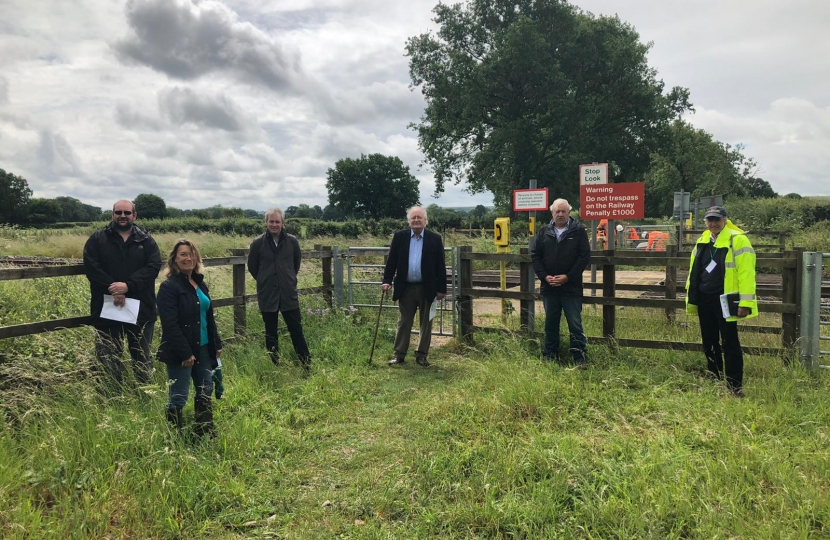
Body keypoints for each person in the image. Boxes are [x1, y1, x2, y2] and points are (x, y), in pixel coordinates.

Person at [83, 199, 161, 392]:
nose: (122, 216)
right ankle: (112, 395)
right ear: (112, 214)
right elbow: (92, 268)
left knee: (141, 355)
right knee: (108, 355)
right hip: (107, 308)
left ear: (134, 216)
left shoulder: (146, 240)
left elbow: (152, 268)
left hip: (141, 308)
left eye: (127, 213)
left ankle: (145, 394)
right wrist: (114, 288)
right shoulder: (97, 239)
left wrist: (128, 286)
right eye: (119, 212)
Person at [685, 206, 757, 396]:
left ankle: (734, 385)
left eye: (717, 219)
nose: (713, 223)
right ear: (705, 221)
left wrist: (745, 303)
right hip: (705, 298)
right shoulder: (702, 240)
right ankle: (714, 377)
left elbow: (747, 274)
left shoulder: (738, 240)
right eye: (710, 219)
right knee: (708, 340)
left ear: (725, 220)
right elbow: (695, 270)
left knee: (730, 341)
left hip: (727, 298)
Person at [157, 239, 222, 436]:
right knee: (179, 395)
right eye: (183, 254)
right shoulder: (169, 287)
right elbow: (169, 324)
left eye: (192, 254)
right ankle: (175, 437)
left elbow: (208, 317)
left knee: (205, 389)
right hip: (181, 351)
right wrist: (185, 353)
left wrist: (216, 344)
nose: (188, 258)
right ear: (174, 260)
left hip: (203, 347)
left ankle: (204, 430)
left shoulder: (200, 284)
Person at [381, 206, 447, 367]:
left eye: (419, 217)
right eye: (413, 218)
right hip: (406, 287)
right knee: (404, 321)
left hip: (428, 288)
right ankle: (399, 354)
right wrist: (387, 280)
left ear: (425, 221)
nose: (416, 220)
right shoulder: (400, 237)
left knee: (426, 322)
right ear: (409, 221)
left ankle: (422, 355)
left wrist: (441, 289)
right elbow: (392, 261)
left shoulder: (435, 238)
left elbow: (441, 265)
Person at [248, 207, 311, 369]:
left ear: (283, 223)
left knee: (296, 329)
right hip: (268, 294)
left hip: (288, 294)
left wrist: (287, 279)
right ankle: (275, 365)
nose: (274, 224)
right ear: (266, 223)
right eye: (271, 221)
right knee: (271, 332)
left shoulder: (292, 241)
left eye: (277, 221)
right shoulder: (257, 243)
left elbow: (295, 265)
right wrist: (264, 280)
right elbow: (253, 267)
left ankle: (306, 364)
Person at [531, 198, 591, 366]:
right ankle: (550, 356)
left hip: (571, 288)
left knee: (575, 324)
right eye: (557, 211)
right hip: (549, 288)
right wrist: (544, 276)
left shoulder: (578, 231)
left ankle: (579, 357)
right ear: (552, 213)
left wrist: (568, 276)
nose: (560, 214)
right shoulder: (544, 232)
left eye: (563, 211)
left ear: (569, 213)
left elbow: (584, 256)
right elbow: (535, 255)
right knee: (550, 324)